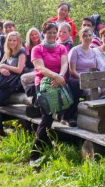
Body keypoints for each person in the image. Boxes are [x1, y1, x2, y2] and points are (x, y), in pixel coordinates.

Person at [29, 21, 70, 166]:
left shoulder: (61, 48)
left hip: (59, 80)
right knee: (46, 118)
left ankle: (66, 118)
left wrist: (60, 76)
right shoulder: (37, 49)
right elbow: (40, 68)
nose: (52, 35)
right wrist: (55, 77)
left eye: (54, 32)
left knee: (76, 90)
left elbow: (65, 64)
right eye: (49, 32)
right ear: (44, 33)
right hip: (43, 84)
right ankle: (35, 154)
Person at [68, 27, 105, 118]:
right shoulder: (75, 50)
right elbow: (72, 71)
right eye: (85, 35)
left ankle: (103, 114)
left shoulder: (93, 51)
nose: (87, 37)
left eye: (89, 35)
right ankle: (90, 116)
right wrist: (84, 79)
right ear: (81, 37)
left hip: (92, 80)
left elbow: (102, 66)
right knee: (96, 91)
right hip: (79, 81)